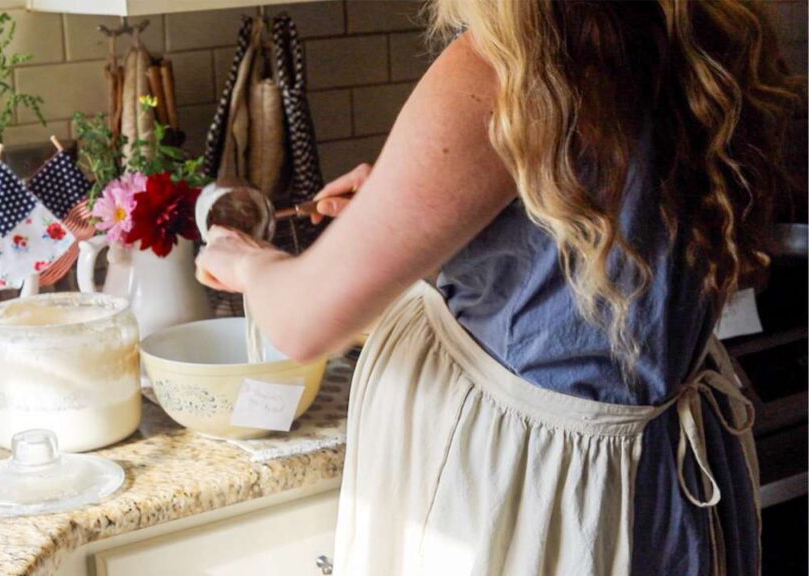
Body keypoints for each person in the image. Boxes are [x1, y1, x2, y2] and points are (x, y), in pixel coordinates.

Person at [195, 1, 803, 574]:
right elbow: (578, 256)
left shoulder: (503, 65)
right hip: (653, 488)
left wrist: (248, 260)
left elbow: (303, 322)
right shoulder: (690, 32)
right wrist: (414, 205)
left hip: (535, 499)